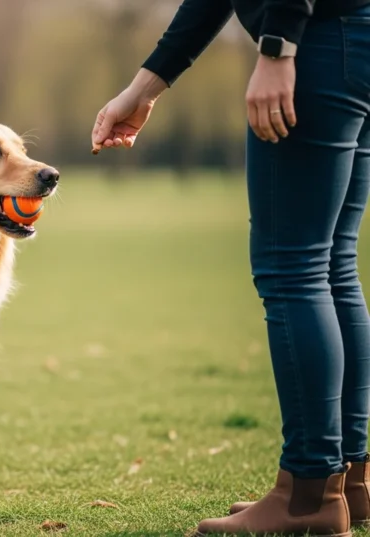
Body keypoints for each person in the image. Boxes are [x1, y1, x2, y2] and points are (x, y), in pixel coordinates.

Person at [92, 0, 370, 535]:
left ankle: (308, 494)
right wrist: (145, 87)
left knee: (293, 269)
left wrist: (278, 47)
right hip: (353, 37)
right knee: (333, 264)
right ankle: (347, 483)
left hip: (315, 43)